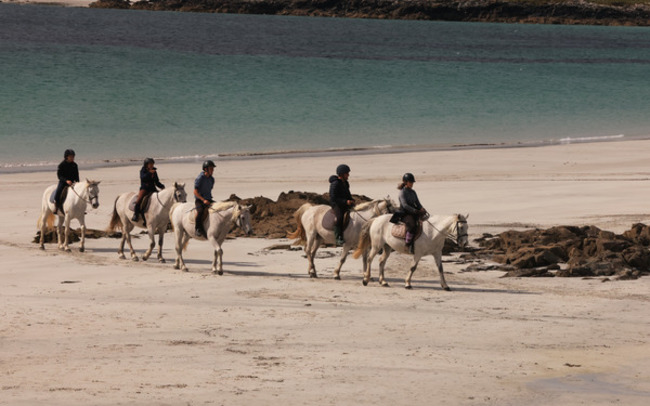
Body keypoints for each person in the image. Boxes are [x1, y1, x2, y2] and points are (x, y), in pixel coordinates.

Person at [397, 172, 427, 253]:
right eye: (410, 182)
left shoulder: (413, 192)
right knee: (412, 225)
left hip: (414, 212)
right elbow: (405, 205)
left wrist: (422, 209)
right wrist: (415, 211)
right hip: (404, 213)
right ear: (405, 182)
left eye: (412, 182)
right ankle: (407, 244)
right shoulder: (402, 192)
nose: (412, 184)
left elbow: (417, 203)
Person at [132, 157, 165, 225]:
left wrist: (161, 186)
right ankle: (136, 215)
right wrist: (149, 173)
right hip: (145, 188)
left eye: (152, 164)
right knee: (139, 200)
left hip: (152, 188)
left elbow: (156, 181)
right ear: (146, 164)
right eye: (150, 164)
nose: (151, 165)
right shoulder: (143, 170)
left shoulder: (154, 171)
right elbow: (143, 178)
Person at [329, 164, 355, 246]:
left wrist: (351, 199)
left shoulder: (346, 183)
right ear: (341, 174)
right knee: (339, 217)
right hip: (336, 204)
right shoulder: (335, 184)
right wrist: (345, 201)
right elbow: (334, 197)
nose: (348, 175)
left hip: (344, 203)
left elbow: (348, 194)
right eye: (347, 173)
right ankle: (338, 237)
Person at [194, 160, 216, 238]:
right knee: (200, 212)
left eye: (213, 169)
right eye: (211, 169)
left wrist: (208, 199)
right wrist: (203, 200)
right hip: (200, 200)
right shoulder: (200, 178)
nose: (212, 170)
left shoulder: (212, 179)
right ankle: (198, 229)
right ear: (206, 169)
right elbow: (195, 192)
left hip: (209, 199)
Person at [54, 149, 80, 214]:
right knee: (58, 192)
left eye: (73, 156)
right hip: (63, 182)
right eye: (71, 156)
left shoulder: (75, 165)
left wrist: (77, 182)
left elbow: (77, 175)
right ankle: (56, 207)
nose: (72, 158)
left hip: (73, 182)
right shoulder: (61, 165)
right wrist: (66, 180)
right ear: (66, 157)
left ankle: (79, 208)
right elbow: (59, 176)